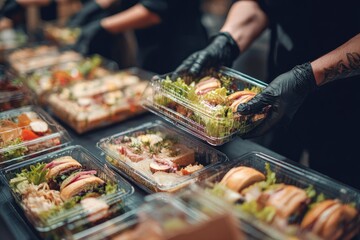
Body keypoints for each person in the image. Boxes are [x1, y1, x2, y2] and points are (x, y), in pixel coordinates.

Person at [175, 0, 360, 189]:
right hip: (280, 88)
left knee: (338, 188)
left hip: (348, 105)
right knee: (268, 176)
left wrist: (308, 76)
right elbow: (261, 4)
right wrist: (228, 40)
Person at [69, 0, 208, 74]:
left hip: (179, 45)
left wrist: (104, 26)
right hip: (151, 46)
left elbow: (154, 11)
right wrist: (99, 4)